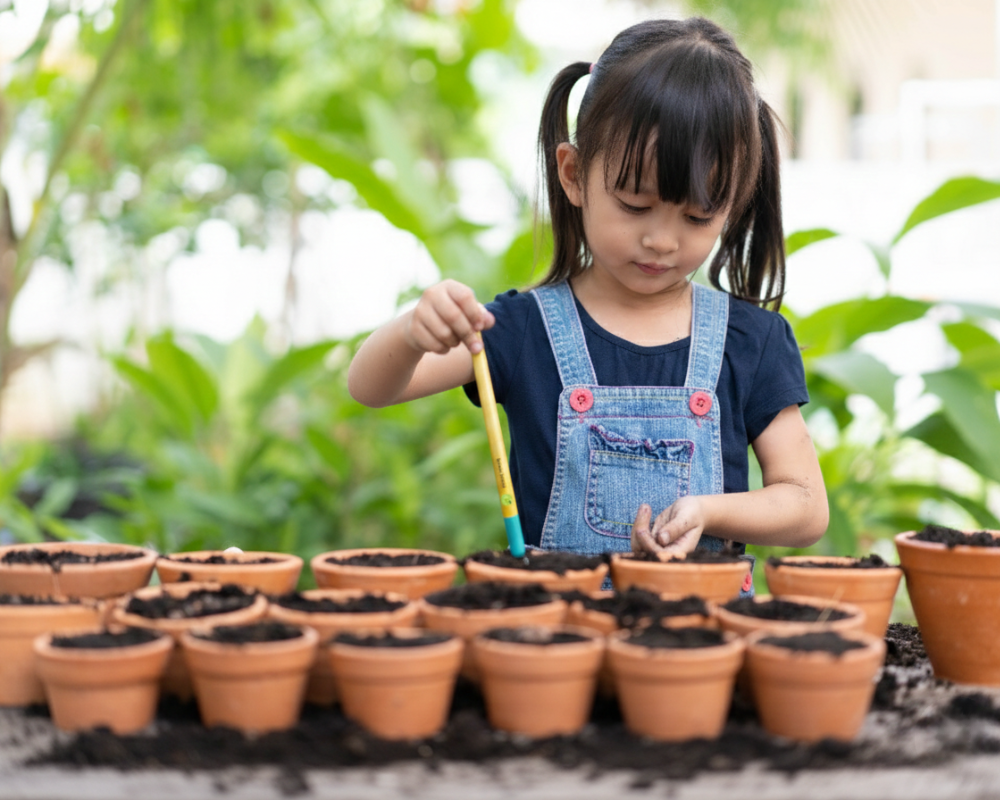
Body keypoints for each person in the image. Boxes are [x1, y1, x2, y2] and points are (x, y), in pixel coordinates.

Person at [348, 16, 828, 579]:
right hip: (556, 641)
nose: (661, 240)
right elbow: (371, 387)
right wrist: (412, 333)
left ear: (733, 203)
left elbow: (805, 505)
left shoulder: (751, 341)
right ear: (573, 174)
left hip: (697, 646)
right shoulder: (525, 330)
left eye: (698, 216)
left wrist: (709, 510)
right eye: (633, 204)